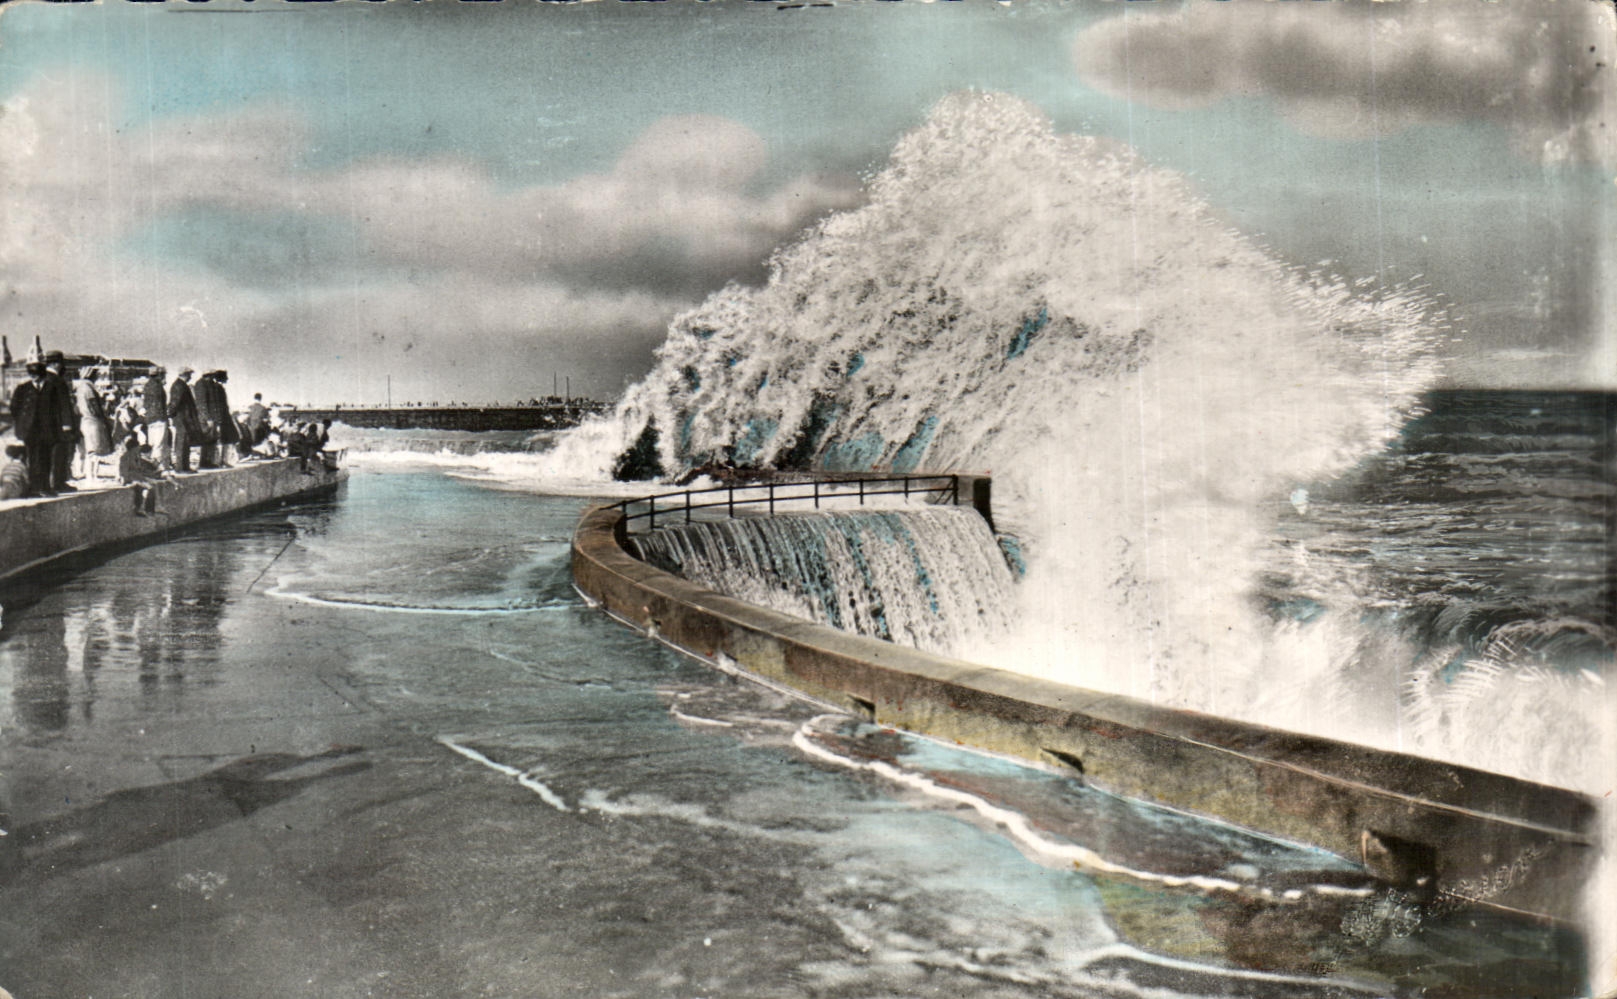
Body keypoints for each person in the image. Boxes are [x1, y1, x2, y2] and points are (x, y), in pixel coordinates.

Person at [41, 351, 76, 492]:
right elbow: (64, 404)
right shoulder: (57, 380)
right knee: (59, 453)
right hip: (58, 424)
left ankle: (46, 483)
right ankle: (59, 483)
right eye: (61, 363)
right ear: (57, 364)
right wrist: (67, 424)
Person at [74, 366, 113, 481]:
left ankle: (84, 472)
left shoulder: (80, 387)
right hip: (92, 421)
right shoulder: (88, 388)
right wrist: (103, 417)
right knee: (93, 451)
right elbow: (94, 405)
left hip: (84, 420)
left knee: (85, 450)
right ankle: (92, 475)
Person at [193, 369, 237, 469]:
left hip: (214, 418)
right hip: (208, 419)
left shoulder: (211, 385)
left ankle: (211, 461)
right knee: (208, 440)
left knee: (213, 440)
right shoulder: (201, 385)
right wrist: (207, 418)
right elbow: (202, 404)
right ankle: (205, 462)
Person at [116, 435, 167, 517]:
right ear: (133, 448)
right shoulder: (125, 457)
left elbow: (140, 469)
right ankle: (148, 510)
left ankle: (150, 508)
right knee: (150, 488)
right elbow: (123, 471)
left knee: (155, 484)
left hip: (138, 476)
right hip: (131, 477)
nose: (138, 449)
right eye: (137, 447)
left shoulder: (136, 456)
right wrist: (125, 480)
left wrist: (151, 474)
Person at [167, 366, 202, 473]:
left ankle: (184, 466)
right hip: (182, 419)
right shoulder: (179, 385)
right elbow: (175, 403)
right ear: (184, 374)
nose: (190, 377)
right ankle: (181, 467)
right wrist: (170, 414)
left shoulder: (181, 385)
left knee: (185, 442)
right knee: (182, 442)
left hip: (184, 419)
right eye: (189, 374)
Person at [142, 367, 170, 469]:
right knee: (159, 444)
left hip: (150, 418)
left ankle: (156, 465)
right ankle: (158, 466)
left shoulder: (147, 385)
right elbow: (160, 404)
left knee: (153, 443)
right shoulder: (158, 387)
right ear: (159, 375)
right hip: (159, 417)